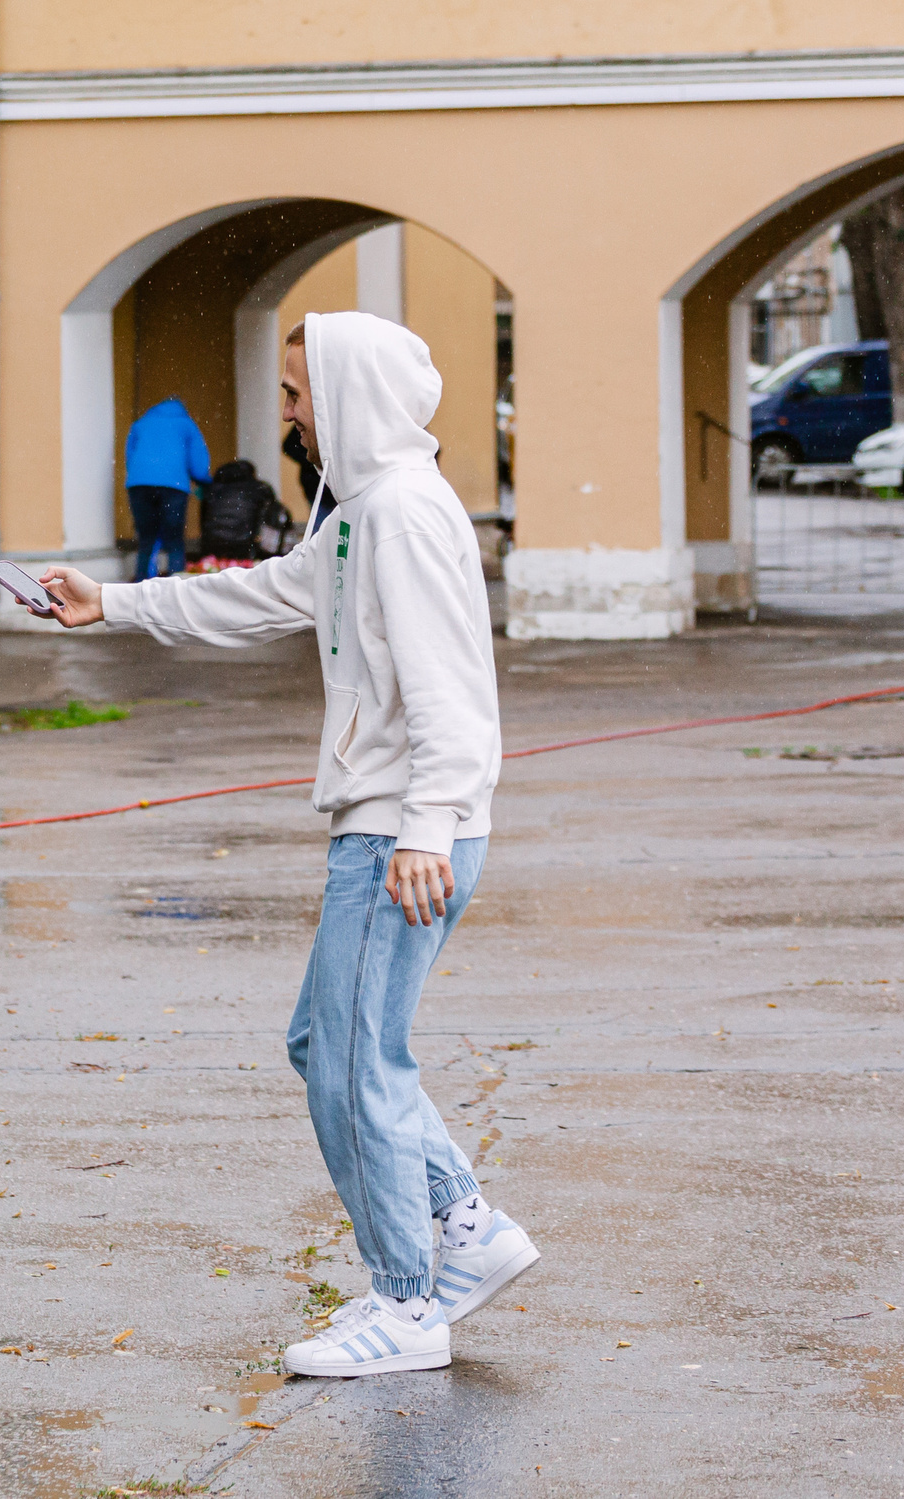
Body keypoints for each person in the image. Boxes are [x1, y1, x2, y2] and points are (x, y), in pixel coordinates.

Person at [33, 312, 532, 1379]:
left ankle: (407, 1300)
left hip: (404, 832)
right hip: (392, 823)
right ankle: (467, 1229)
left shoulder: (399, 512)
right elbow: (262, 596)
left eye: (301, 393)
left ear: (348, 395)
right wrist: (113, 602)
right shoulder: (358, 513)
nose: (290, 412)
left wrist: (425, 824)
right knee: (332, 1047)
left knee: (355, 1061)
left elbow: (450, 685)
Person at [124, 395, 212, 577]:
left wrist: (142, 476)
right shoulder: (185, 424)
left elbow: (130, 456)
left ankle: (141, 584)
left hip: (139, 484)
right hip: (174, 486)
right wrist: (204, 480)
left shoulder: (142, 423)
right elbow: (198, 462)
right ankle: (176, 581)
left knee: (146, 539)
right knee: (174, 539)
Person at [198, 457, 286, 564]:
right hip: (247, 543)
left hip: (213, 543)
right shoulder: (259, 488)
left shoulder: (212, 490)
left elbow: (204, 517)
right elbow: (273, 512)